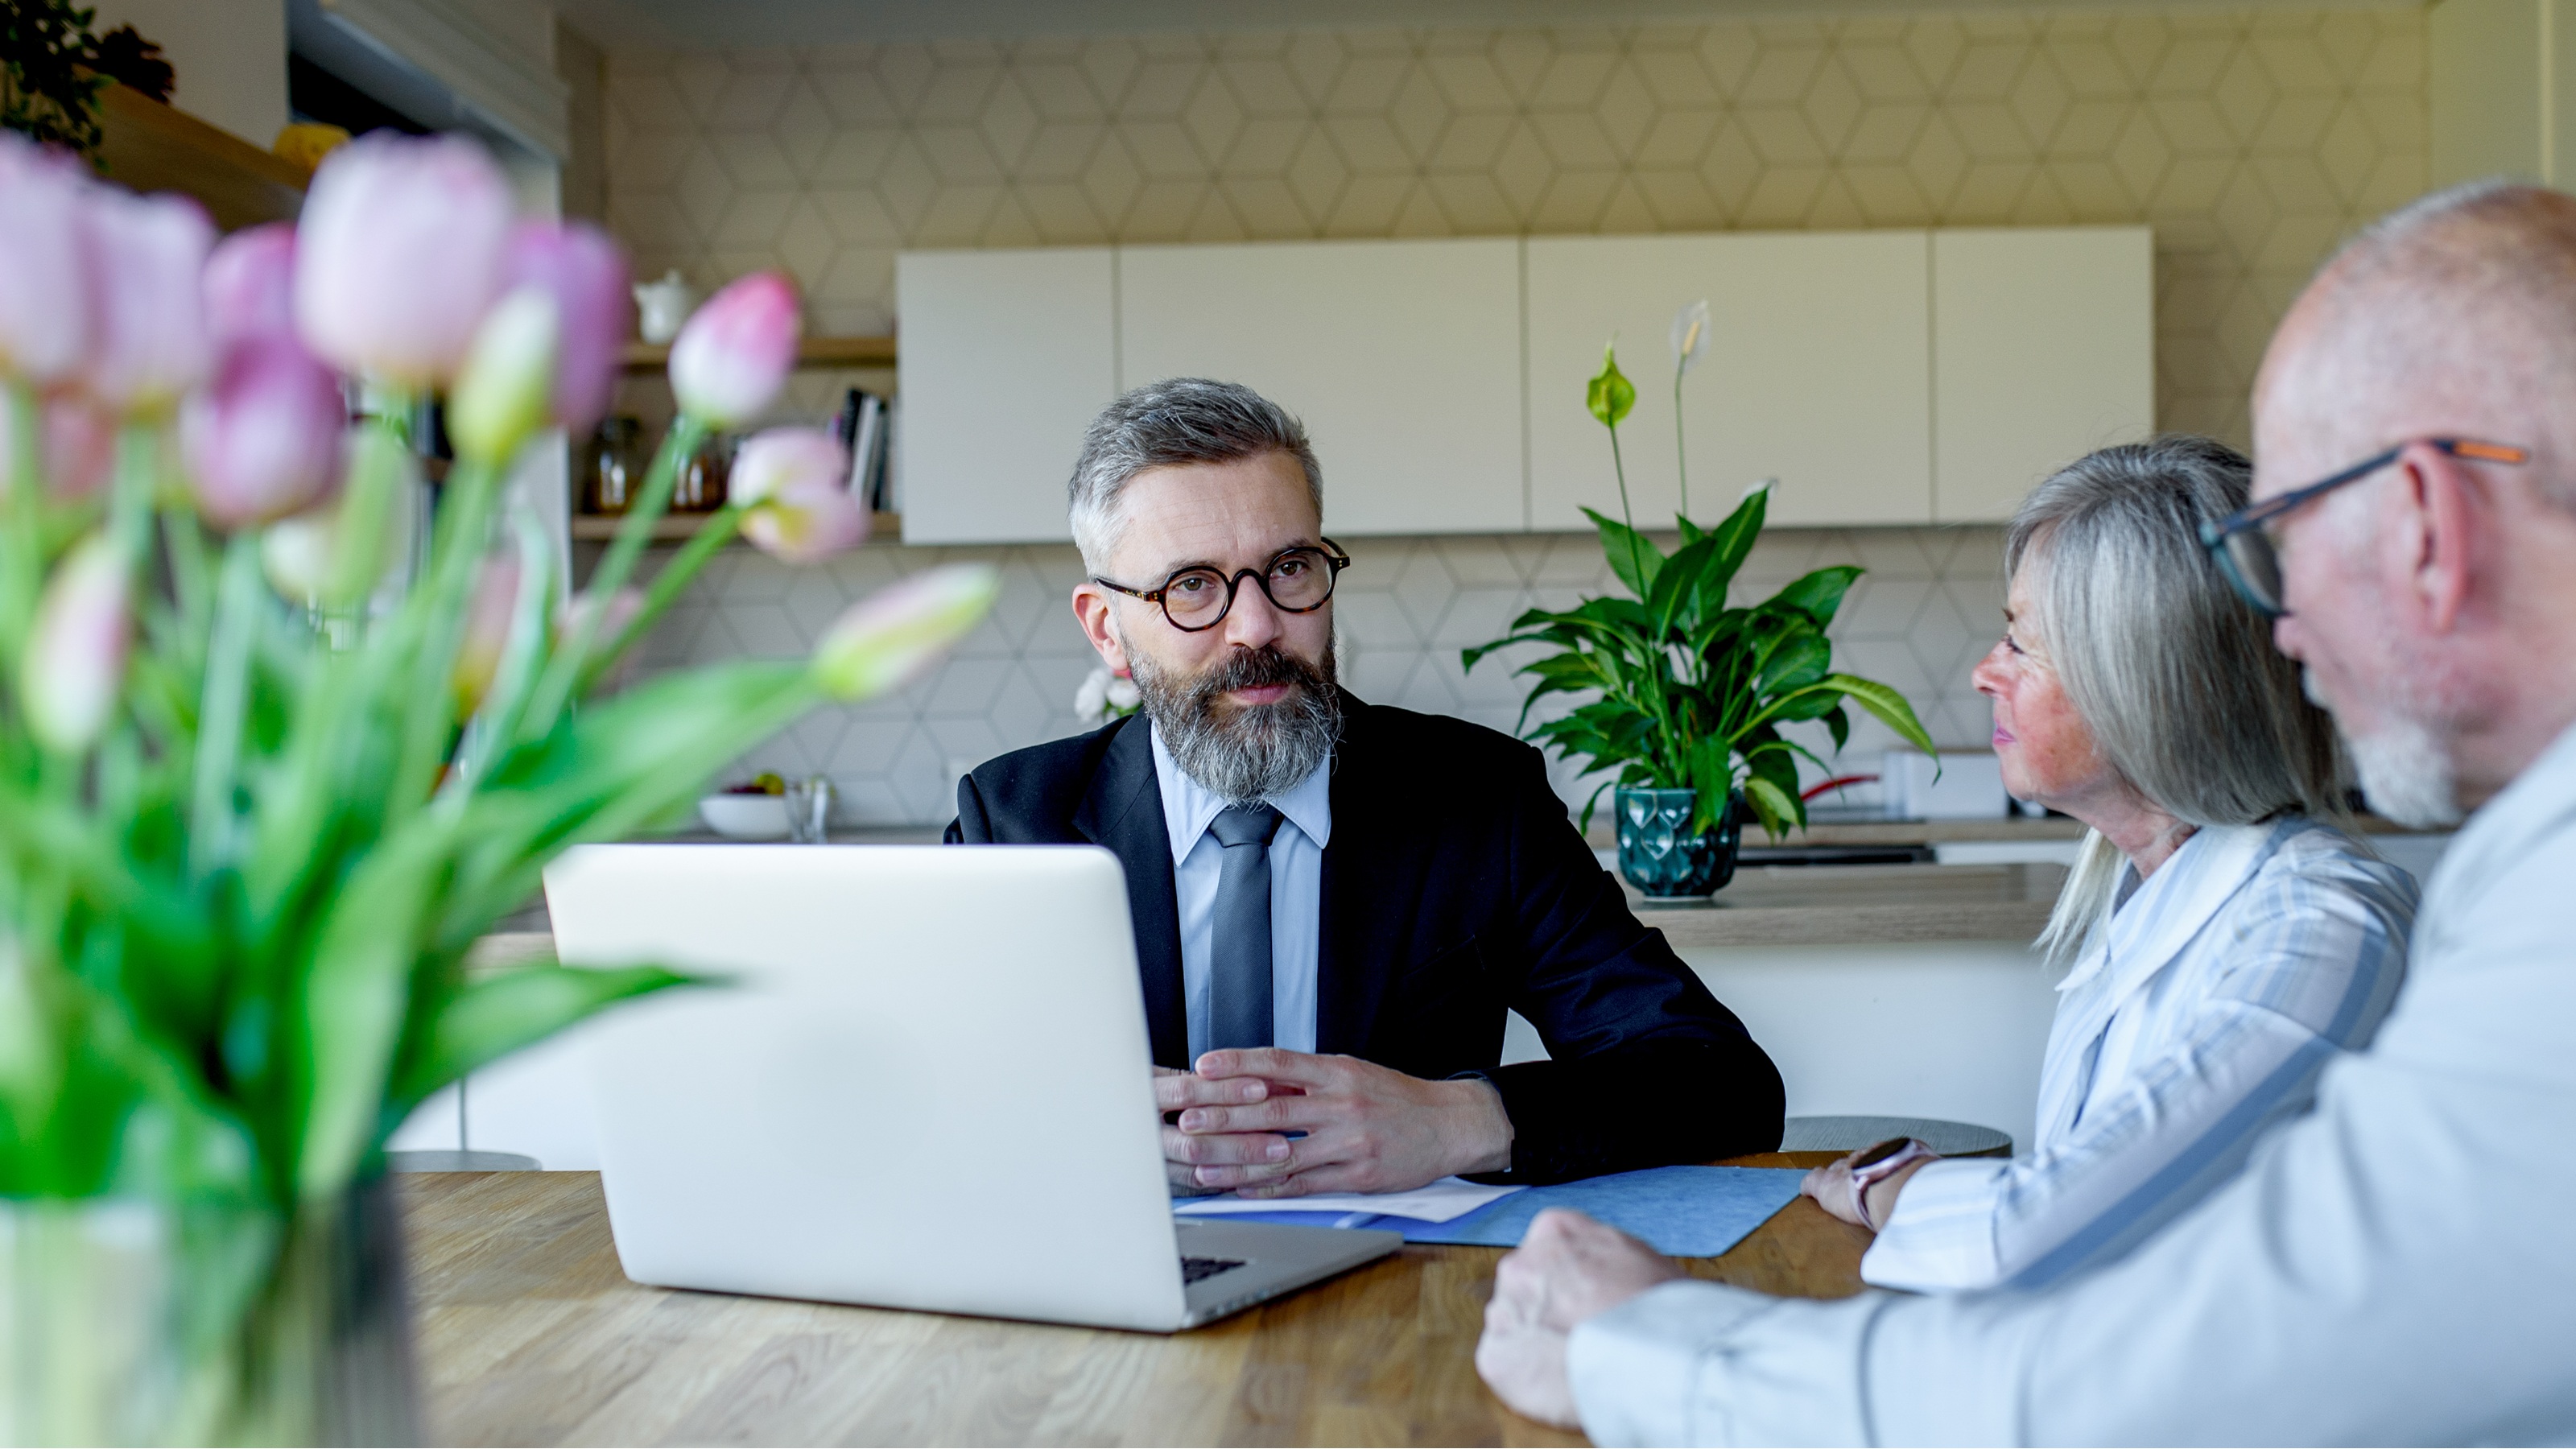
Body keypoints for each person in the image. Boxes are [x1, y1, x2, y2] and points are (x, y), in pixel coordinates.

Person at [1472, 179, 2576, 1444]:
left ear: (2429, 523)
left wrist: (1647, 1347)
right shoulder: (2263, 891)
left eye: (2290, 535)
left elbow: (2123, 1350)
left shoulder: (2351, 924)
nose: (2280, 618)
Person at [947, 378, 1785, 1197]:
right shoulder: (1012, 822)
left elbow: (1721, 1081)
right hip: (1124, 1295)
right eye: (1192, 586)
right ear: (1107, 628)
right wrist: (1074, 1128)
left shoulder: (1479, 802)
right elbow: (912, 1099)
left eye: (1289, 567)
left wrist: (1457, 1119)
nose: (1259, 627)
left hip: (1407, 1294)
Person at [1798, 437, 2415, 1293]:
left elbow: (2036, 1232)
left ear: (2144, 687)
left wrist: (1888, 1187)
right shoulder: (2138, 885)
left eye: (2019, 644)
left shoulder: (2324, 929)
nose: (1983, 673)